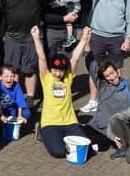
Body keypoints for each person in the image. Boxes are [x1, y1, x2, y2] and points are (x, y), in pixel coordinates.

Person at [0, 0, 62, 108]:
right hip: (12, 37)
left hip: (31, 38)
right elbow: (3, 16)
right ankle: (11, 96)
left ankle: (30, 98)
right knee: (11, 69)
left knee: (29, 69)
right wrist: (3, 35)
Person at [81, 0, 130, 113]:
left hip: (117, 39)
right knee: (94, 69)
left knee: (116, 70)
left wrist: (128, 39)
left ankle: (115, 100)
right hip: (97, 37)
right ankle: (93, 101)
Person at [30, 25, 91, 159]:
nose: (58, 73)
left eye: (61, 70)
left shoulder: (68, 78)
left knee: (84, 147)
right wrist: (36, 37)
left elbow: (74, 57)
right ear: (51, 69)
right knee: (59, 152)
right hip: (50, 122)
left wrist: (84, 38)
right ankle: (42, 131)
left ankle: (63, 136)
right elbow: (41, 58)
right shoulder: (46, 77)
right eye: (55, 70)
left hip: (69, 122)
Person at [0, 64, 30, 130]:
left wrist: (19, 115)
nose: (9, 79)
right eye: (6, 76)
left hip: (10, 107)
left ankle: (10, 124)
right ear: (0, 77)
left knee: (26, 113)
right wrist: (1, 115)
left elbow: (20, 100)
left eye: (12, 76)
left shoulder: (16, 85)